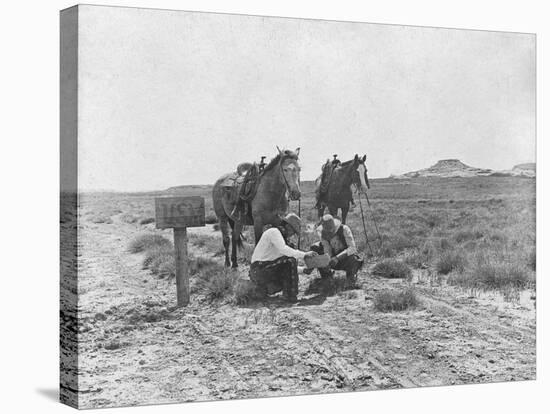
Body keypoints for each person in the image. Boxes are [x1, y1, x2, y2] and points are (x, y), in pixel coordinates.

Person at [249, 213, 315, 302]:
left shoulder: (280, 239)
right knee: (290, 259)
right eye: (293, 231)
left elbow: (284, 265)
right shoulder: (274, 232)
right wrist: (304, 255)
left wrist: (303, 270)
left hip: (262, 270)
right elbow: (284, 250)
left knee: (289, 261)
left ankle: (263, 289)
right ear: (287, 226)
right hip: (259, 270)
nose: (292, 235)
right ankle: (290, 295)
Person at [310, 214, 363, 287]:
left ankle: (350, 279)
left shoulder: (344, 229)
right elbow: (327, 249)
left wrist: (337, 258)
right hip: (333, 260)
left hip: (345, 258)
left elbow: (352, 248)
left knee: (353, 258)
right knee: (315, 247)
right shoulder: (323, 235)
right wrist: (327, 261)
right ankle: (327, 277)